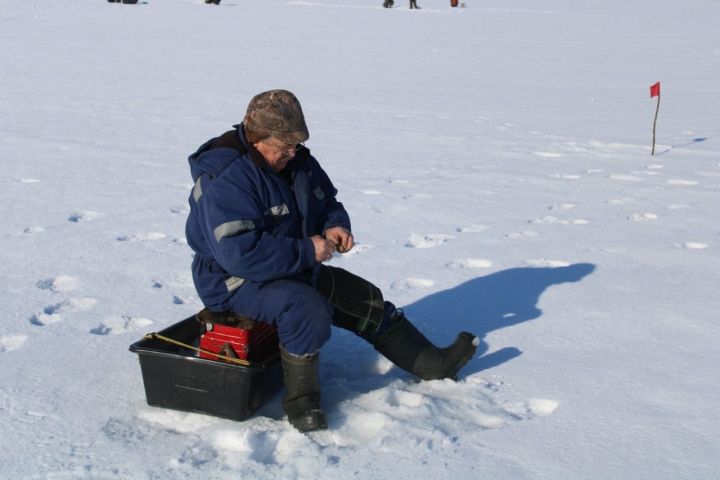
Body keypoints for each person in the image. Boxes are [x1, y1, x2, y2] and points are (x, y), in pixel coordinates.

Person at [185, 89, 478, 432]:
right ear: (257, 138)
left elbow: (327, 201)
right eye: (284, 148)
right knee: (305, 308)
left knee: (363, 299)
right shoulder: (227, 178)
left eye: (295, 146)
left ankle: (434, 365)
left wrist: (335, 225)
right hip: (233, 281)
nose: (292, 154)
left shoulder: (298, 162)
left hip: (288, 266)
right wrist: (308, 251)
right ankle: (302, 404)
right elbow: (240, 254)